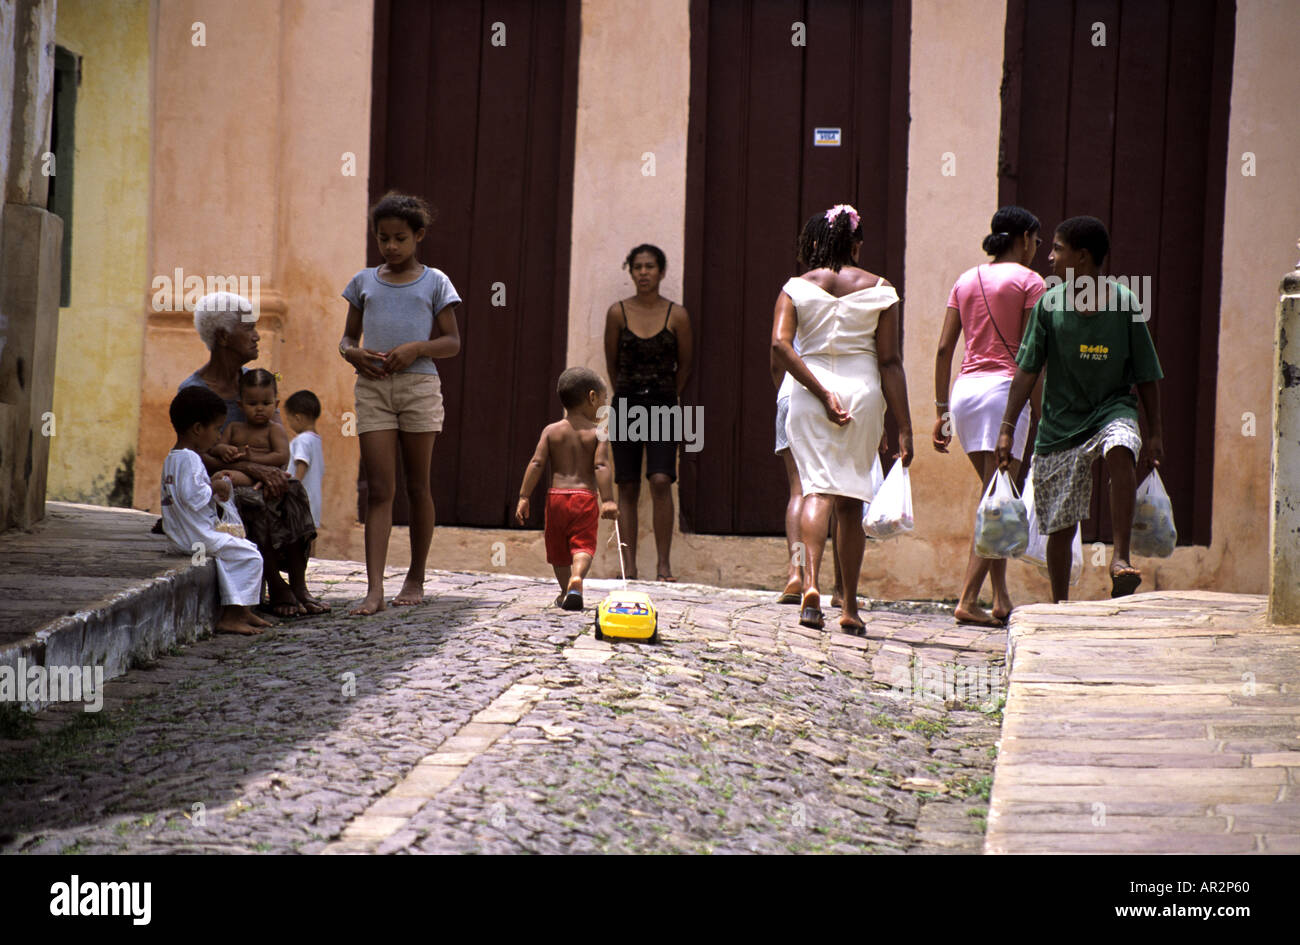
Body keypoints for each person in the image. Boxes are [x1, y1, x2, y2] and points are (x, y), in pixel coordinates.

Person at [996, 215, 1164, 602]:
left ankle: (1119, 559)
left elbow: (1147, 375)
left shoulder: (1125, 303)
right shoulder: (1049, 306)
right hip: (1060, 423)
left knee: (1122, 446)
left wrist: (1154, 432)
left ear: (1082, 257)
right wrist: (1007, 427)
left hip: (1112, 408)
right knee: (1060, 519)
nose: (1049, 258)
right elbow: (1026, 370)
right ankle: (1059, 603)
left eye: (1057, 248)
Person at [772, 204, 914, 635]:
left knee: (816, 490)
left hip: (810, 392)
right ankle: (849, 605)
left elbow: (780, 346)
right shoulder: (881, 289)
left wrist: (819, 392)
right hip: (864, 394)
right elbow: (889, 362)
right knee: (851, 503)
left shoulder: (796, 287)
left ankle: (810, 585)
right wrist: (904, 426)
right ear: (856, 244)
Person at [340, 191, 461, 616]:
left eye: (400, 239)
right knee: (379, 489)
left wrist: (416, 348)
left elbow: (452, 342)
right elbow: (347, 338)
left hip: (419, 388)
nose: (391, 247)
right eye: (383, 239)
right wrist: (352, 354)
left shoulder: (435, 282)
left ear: (419, 236)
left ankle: (416, 575)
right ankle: (374, 589)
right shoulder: (363, 282)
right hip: (373, 390)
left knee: (417, 486)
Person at [933, 206, 1046, 626]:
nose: (1037, 249)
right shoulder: (1031, 282)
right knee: (995, 502)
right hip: (1005, 396)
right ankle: (966, 599)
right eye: (1036, 240)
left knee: (994, 492)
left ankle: (1000, 599)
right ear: (1023, 237)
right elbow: (1034, 355)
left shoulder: (965, 279)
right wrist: (1040, 406)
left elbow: (945, 349)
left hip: (965, 395)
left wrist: (941, 411)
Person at [181, 292, 322, 618]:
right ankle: (275, 582)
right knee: (248, 499)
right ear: (223, 337)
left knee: (294, 492)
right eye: (249, 328)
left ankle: (299, 584)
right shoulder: (195, 392)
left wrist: (267, 472)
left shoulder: (256, 385)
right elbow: (196, 458)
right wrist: (254, 469)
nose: (258, 335)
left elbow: (277, 439)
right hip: (218, 486)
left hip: (254, 475)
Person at [603, 244, 693, 582]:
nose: (643, 272)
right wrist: (625, 394)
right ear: (631, 272)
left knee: (660, 480)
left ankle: (663, 566)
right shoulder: (617, 313)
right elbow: (611, 363)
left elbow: (685, 366)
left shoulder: (677, 315)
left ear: (661, 272)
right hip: (626, 405)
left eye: (650, 267)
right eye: (637, 267)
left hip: (664, 405)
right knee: (625, 485)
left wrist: (668, 395)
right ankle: (630, 566)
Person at [161, 386, 268, 636]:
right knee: (251, 555)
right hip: (196, 537)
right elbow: (193, 496)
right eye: (216, 429)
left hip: (181, 535)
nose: (219, 437)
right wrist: (215, 486)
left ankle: (243, 610)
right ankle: (231, 616)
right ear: (198, 429)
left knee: (234, 554)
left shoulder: (172, 458)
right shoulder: (191, 459)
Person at [515, 367, 619, 610]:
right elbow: (601, 466)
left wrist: (524, 496)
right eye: (603, 401)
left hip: (556, 499)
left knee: (559, 549)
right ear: (592, 397)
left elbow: (537, 463)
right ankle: (577, 578)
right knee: (582, 546)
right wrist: (609, 500)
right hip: (584, 499)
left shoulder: (551, 431)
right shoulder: (598, 433)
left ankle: (565, 591)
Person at [214, 368, 291, 487]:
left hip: (262, 476)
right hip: (239, 471)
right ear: (240, 405)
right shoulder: (233, 428)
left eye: (266, 403)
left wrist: (254, 458)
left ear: (275, 405)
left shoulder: (274, 429)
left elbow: (282, 456)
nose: (259, 408)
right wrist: (223, 450)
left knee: (226, 479)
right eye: (252, 404)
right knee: (220, 477)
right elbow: (216, 448)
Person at [284, 389, 325, 540]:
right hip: (313, 500)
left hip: (300, 500)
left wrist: (293, 489)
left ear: (298, 418)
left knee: (298, 537)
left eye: (289, 420)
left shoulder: (302, 440)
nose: (289, 424)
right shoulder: (316, 440)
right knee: (309, 536)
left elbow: (302, 464)